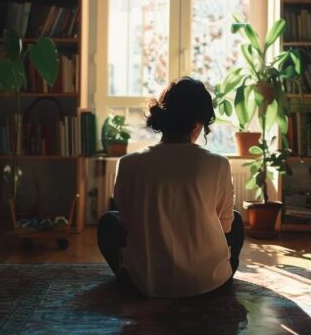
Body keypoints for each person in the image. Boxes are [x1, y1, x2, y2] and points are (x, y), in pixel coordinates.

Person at [97, 77, 244, 298]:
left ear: (162, 118)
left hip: (146, 285)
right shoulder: (219, 164)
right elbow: (225, 229)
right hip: (211, 285)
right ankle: (205, 275)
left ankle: (135, 278)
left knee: (109, 222)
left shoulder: (128, 164)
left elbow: (129, 224)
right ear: (197, 124)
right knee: (236, 219)